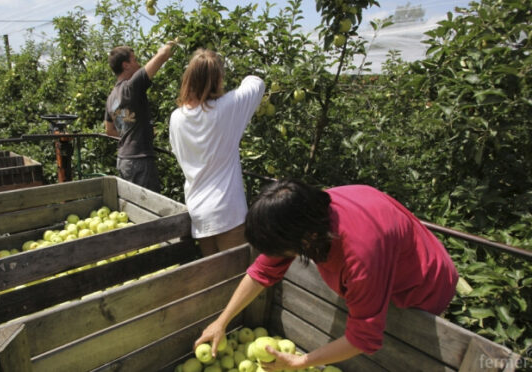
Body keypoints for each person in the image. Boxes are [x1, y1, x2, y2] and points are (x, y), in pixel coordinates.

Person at [194, 178, 458, 371]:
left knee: (405, 347)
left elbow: (365, 337)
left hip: (422, 285)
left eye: (283, 250)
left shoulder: (361, 256)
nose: (280, 256)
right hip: (382, 266)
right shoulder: (303, 216)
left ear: (307, 240)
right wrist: (222, 321)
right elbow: (263, 270)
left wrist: (300, 362)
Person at [168, 49, 265, 257]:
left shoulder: (176, 118)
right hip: (228, 212)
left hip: (198, 212)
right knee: (236, 276)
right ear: (218, 79)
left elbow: (178, 153)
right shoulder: (227, 107)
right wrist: (246, 75)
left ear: (188, 78)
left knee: (215, 279)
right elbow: (257, 83)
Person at [104, 41, 176, 193]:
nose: (138, 64)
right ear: (126, 65)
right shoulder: (131, 87)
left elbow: (109, 130)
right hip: (139, 161)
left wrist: (133, 132)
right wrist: (174, 43)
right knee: (149, 208)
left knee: (133, 205)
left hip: (124, 159)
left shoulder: (111, 97)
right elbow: (162, 56)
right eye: (134, 60)